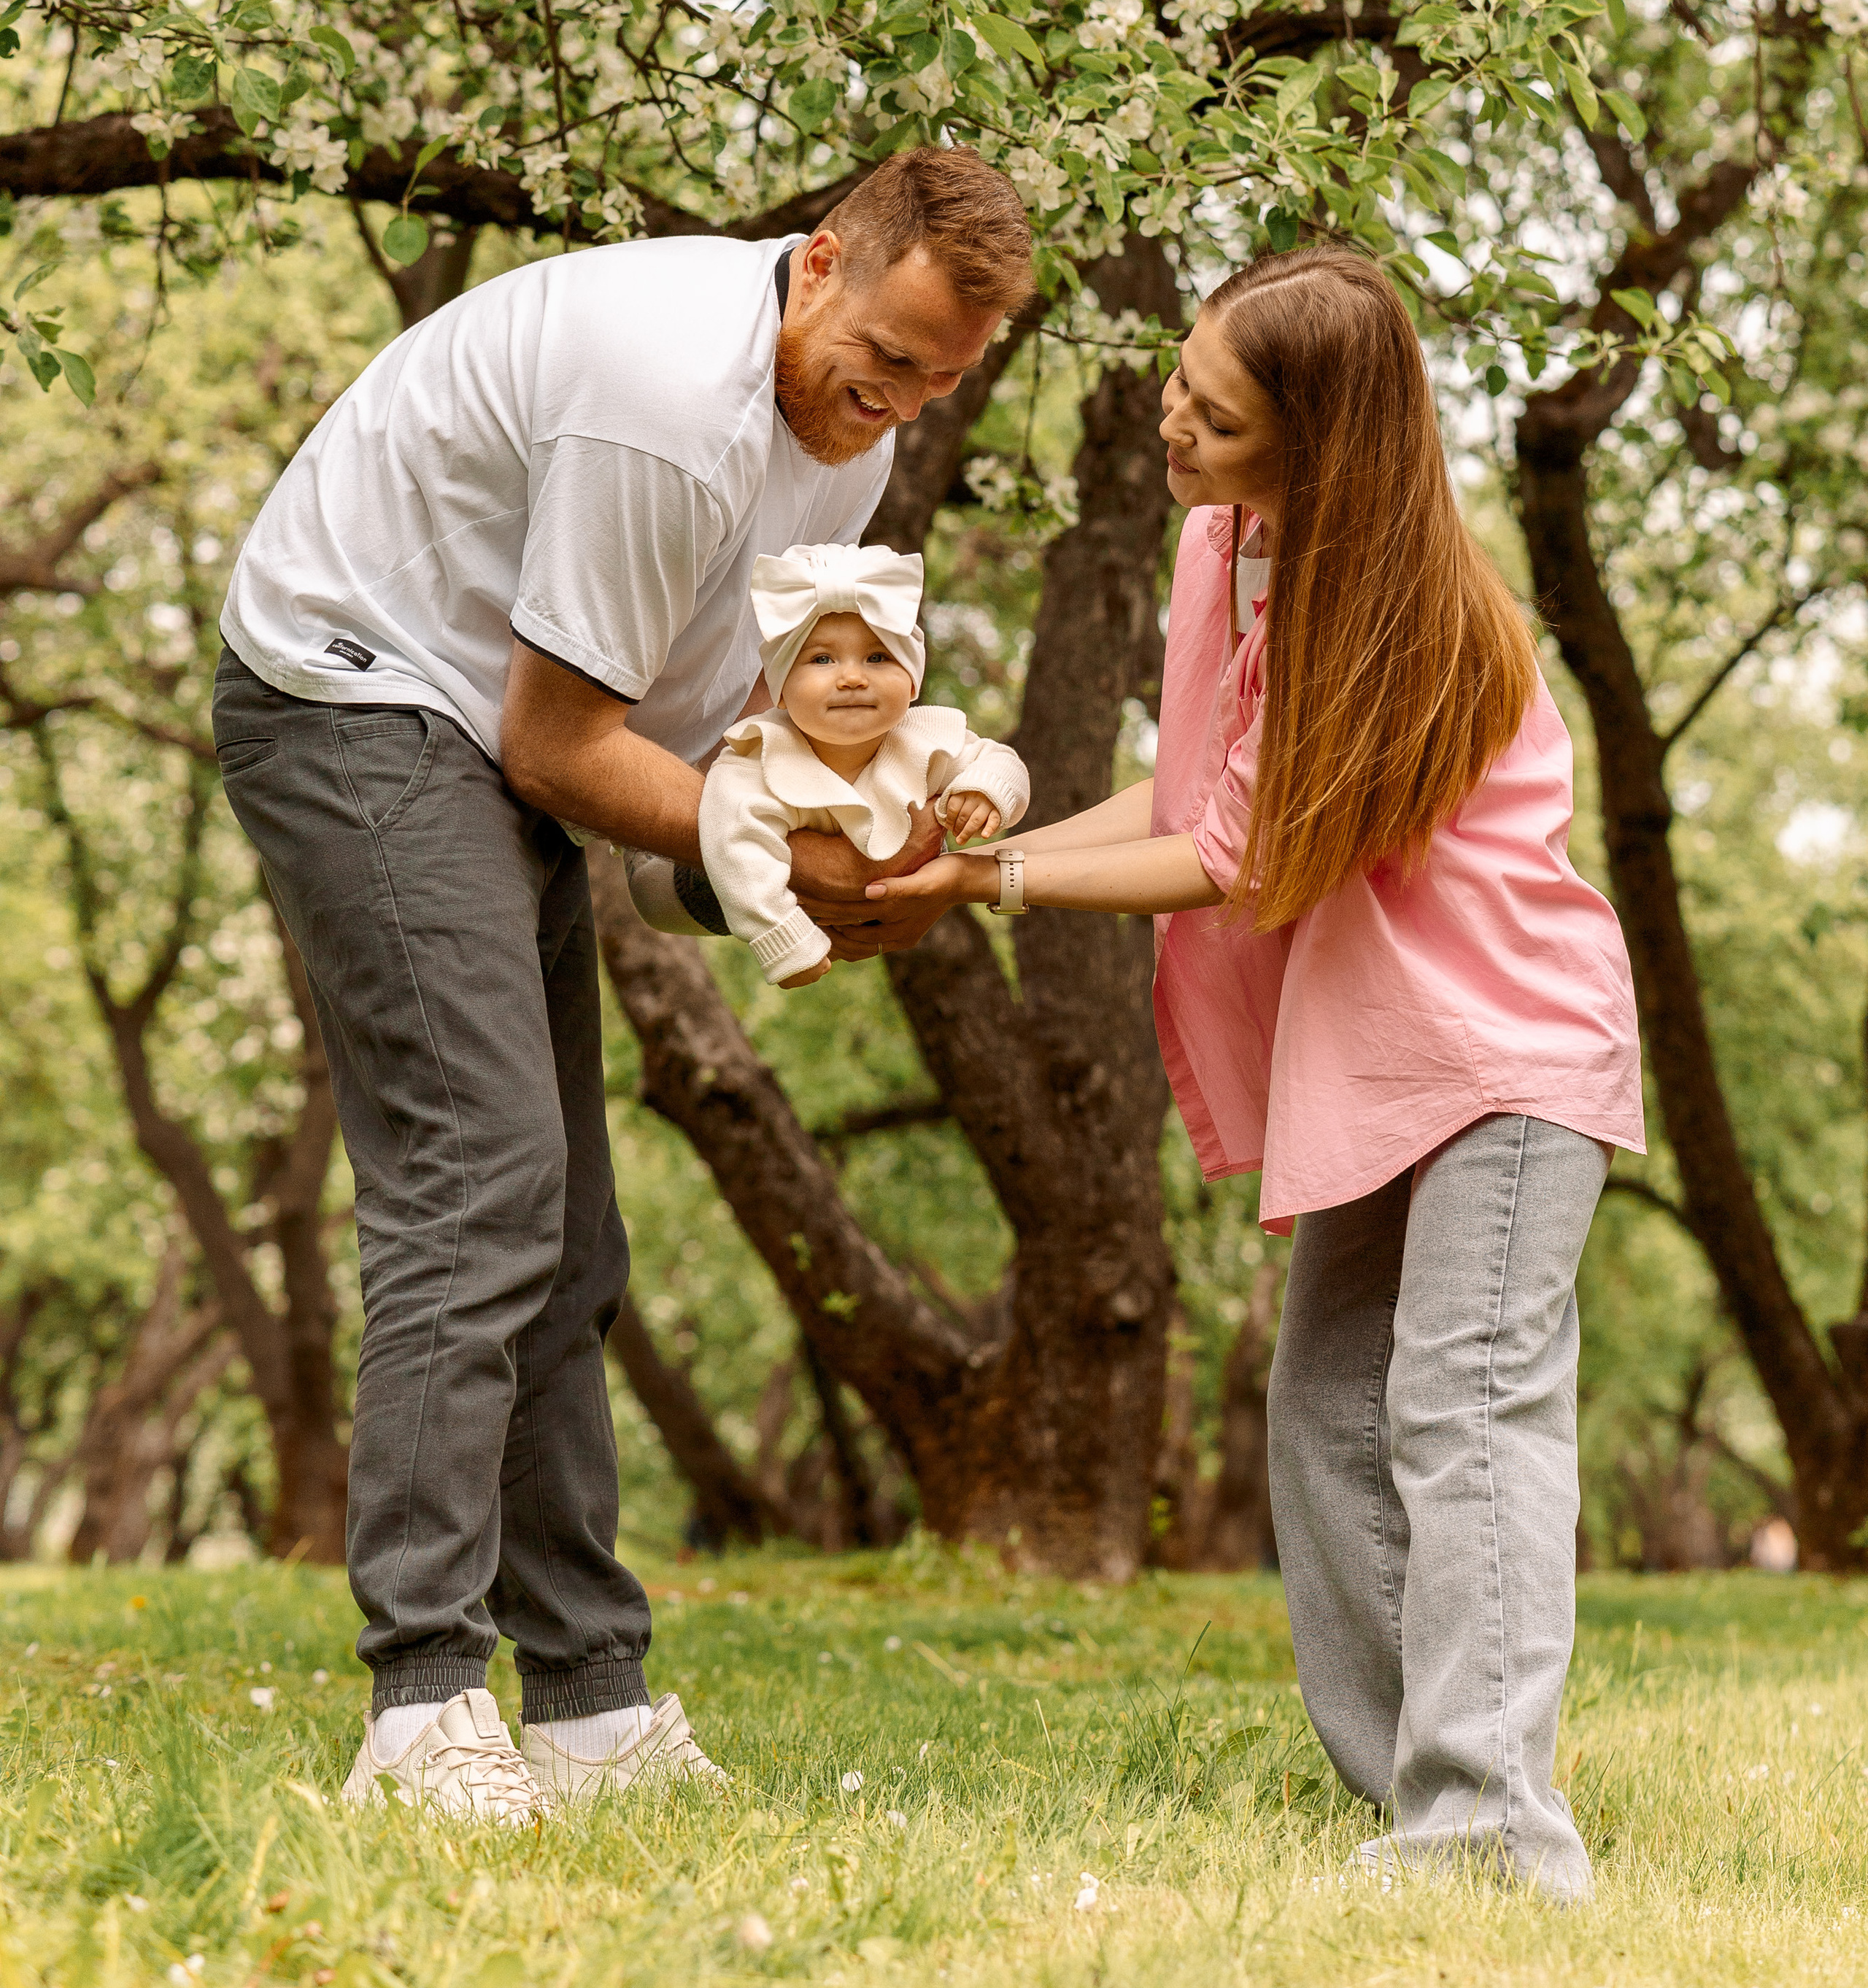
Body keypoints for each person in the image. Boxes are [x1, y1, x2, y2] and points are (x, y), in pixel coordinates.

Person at [210, 148, 1033, 1819]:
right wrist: (765, 851)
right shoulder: (667, 398)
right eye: (879, 361)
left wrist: (831, 868)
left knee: (566, 1222)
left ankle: (585, 1707)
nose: (892, 409)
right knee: (478, 1182)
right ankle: (421, 1704)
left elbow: (694, 761)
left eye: (936, 386)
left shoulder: (842, 460)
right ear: (815, 266)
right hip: (357, 688)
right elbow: (560, 742)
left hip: (484, 735)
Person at [876, 244, 1644, 1903]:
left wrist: (990, 888)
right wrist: (979, 848)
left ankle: (1491, 1828)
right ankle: (1423, 1801)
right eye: (1180, 379)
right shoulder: (1230, 542)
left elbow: (1235, 846)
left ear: (1312, 444)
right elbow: (1182, 787)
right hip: (1383, 1052)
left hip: (1504, 1054)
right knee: (1318, 1412)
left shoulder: (1412, 607)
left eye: (1211, 416)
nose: (1168, 418)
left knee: (1465, 1408)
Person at [630, 541, 1027, 987]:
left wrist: (984, 788)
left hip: (885, 903)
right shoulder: (756, 764)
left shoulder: (927, 742)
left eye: (878, 658)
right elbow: (736, 847)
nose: (853, 677)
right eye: (822, 659)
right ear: (779, 691)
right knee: (727, 851)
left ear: (913, 681)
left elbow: (998, 759)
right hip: (702, 893)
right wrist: (783, 938)